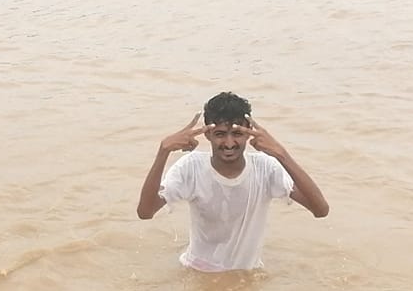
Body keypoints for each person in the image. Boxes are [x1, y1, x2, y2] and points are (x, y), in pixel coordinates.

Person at [135, 92, 328, 272]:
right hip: (199, 272)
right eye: (220, 134)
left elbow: (320, 210)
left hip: (247, 276)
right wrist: (163, 151)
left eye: (236, 134)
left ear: (249, 132)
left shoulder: (266, 168)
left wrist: (281, 154)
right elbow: (145, 212)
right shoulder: (190, 167)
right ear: (207, 134)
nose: (228, 143)